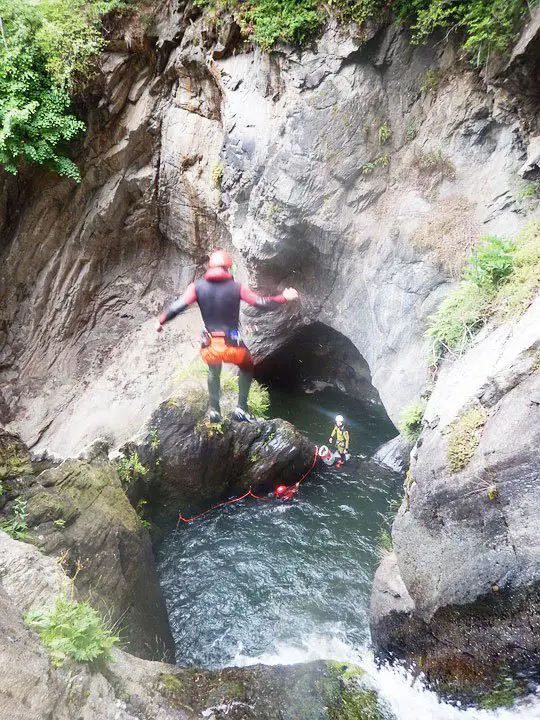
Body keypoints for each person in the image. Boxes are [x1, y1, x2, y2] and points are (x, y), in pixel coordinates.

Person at [157, 249, 299, 422]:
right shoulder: (237, 288)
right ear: (228, 269)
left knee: (213, 371)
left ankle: (215, 411)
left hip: (210, 345)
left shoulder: (197, 287)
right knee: (247, 367)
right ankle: (241, 409)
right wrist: (284, 297)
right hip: (232, 344)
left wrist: (161, 321)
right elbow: (261, 303)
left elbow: (178, 306)